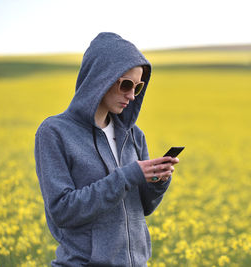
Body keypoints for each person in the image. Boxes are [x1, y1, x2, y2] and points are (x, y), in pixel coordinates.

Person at [34, 32, 179, 266]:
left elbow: (143, 208)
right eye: (126, 84)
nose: (131, 96)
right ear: (100, 78)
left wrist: (157, 181)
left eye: (138, 87)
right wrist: (127, 176)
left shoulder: (134, 135)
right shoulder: (55, 132)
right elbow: (61, 211)